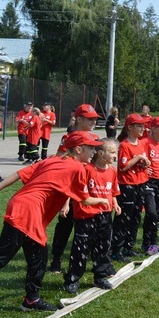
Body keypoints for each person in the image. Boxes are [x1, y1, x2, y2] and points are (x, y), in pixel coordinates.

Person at [0, 131, 105, 311]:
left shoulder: (52, 160)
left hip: (22, 206)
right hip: (27, 211)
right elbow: (84, 200)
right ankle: (31, 299)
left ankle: (31, 300)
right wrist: (103, 200)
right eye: (91, 148)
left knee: (39, 257)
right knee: (1, 258)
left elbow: (19, 174)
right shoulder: (78, 168)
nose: (95, 152)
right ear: (78, 149)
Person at [48, 104, 101, 274]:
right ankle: (56, 259)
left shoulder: (94, 137)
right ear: (79, 119)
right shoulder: (68, 138)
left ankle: (85, 258)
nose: (93, 122)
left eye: (95, 119)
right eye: (90, 119)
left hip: (88, 188)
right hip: (70, 189)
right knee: (65, 224)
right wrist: (65, 200)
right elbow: (59, 160)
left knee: (88, 226)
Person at [63, 138, 121, 294]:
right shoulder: (86, 169)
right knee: (81, 247)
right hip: (86, 215)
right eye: (112, 152)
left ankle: (100, 276)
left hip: (105, 215)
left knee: (103, 246)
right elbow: (73, 190)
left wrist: (115, 203)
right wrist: (66, 204)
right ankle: (73, 279)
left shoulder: (112, 171)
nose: (115, 155)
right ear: (101, 153)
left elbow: (113, 191)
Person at [110, 114, 150, 262]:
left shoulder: (141, 143)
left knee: (136, 217)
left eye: (143, 125)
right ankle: (116, 249)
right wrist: (138, 158)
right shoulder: (125, 145)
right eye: (139, 126)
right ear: (130, 127)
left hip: (141, 183)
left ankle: (129, 246)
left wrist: (145, 162)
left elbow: (144, 162)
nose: (142, 128)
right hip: (128, 185)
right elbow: (124, 166)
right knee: (123, 219)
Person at [140, 116, 159, 256]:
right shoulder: (145, 142)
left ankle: (152, 243)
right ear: (153, 129)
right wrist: (145, 169)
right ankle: (147, 243)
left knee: (156, 214)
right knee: (151, 213)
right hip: (148, 181)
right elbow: (137, 159)